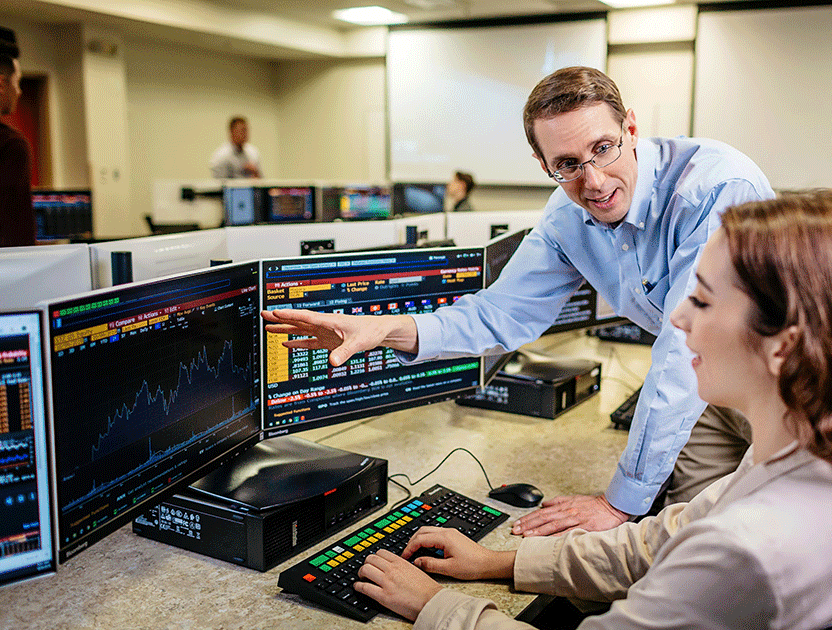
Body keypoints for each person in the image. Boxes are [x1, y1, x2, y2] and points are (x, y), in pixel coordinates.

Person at [351, 190, 832, 630]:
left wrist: (433, 607)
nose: (677, 317)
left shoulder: (751, 548)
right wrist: (499, 561)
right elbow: (664, 540)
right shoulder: (828, 456)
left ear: (782, 344)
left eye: (703, 298)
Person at [262, 66, 774, 535]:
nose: (592, 182)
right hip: (707, 390)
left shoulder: (714, 187)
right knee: (690, 543)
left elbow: (684, 347)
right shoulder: (565, 218)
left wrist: (621, 502)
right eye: (567, 164)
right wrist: (389, 330)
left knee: (782, 540)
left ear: (632, 128)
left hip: (784, 385)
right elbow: (501, 313)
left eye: (604, 148)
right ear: (541, 162)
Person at [0, 26, 34, 248]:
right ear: (2, 84)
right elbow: (16, 235)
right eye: (17, 82)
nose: (19, 91)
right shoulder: (10, 145)